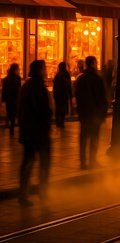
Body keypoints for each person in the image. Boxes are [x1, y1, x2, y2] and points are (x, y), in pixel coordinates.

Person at [17, 60, 51, 206]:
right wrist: (47, 123)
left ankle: (24, 193)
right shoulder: (38, 87)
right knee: (42, 162)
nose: (46, 70)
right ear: (39, 70)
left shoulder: (26, 86)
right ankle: (41, 191)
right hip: (38, 131)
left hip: (27, 130)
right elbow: (42, 110)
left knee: (27, 161)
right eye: (44, 68)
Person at [74, 56, 109, 169]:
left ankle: (83, 162)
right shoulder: (97, 79)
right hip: (95, 114)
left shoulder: (81, 79)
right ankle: (92, 161)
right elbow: (102, 97)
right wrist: (103, 112)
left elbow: (77, 96)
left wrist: (80, 110)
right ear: (93, 63)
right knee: (94, 138)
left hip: (84, 114)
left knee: (83, 138)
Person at [2, 62, 22, 137]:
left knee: (10, 114)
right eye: (18, 69)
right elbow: (19, 90)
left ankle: (11, 129)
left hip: (9, 100)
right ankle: (14, 129)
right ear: (15, 70)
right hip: (15, 100)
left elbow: (4, 90)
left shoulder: (6, 79)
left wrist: (3, 100)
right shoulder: (17, 78)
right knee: (16, 114)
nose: (19, 70)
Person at [52, 61, 73, 129]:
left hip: (57, 94)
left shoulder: (57, 75)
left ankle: (58, 122)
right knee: (63, 108)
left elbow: (55, 85)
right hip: (63, 94)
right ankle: (61, 122)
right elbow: (68, 85)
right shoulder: (66, 74)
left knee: (58, 108)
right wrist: (70, 95)